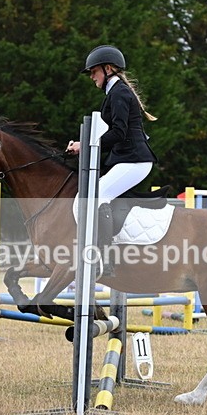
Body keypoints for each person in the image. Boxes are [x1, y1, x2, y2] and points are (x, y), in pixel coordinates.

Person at [65, 45, 158, 277]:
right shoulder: (116, 93)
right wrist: (82, 143)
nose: (92, 77)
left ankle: (105, 261)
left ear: (108, 69)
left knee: (97, 196)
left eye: (94, 71)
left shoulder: (119, 94)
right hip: (128, 159)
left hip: (135, 161)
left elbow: (118, 133)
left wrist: (84, 145)